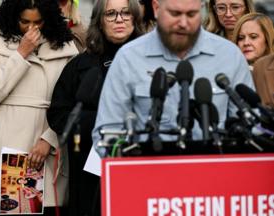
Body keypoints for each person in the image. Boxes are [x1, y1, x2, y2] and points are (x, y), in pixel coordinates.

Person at [90, 0, 255, 158]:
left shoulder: (229, 55)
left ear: (202, 9)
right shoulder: (128, 58)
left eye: (191, 14)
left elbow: (250, 129)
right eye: (175, 13)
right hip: (149, 179)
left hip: (215, 178)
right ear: (156, 8)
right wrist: (129, 163)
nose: (183, 23)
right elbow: (107, 132)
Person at [0, 0, 78, 215]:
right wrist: (21, 53)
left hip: (45, 142)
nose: (31, 29)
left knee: (44, 209)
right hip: (7, 143)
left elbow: (72, 102)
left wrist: (50, 138)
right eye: (24, 22)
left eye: (38, 22)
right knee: (13, 209)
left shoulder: (66, 46)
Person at [47, 0, 144, 215]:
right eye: (111, 14)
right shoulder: (80, 66)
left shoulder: (152, 63)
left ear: (135, 19)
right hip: (90, 175)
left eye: (126, 13)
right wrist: (96, 125)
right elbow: (58, 114)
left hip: (140, 170)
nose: (119, 19)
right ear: (99, 22)